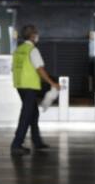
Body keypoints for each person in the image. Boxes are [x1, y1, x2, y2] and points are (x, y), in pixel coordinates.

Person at [10, 24, 59, 156]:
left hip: (20, 85)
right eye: (36, 33)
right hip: (30, 86)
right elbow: (40, 69)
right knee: (26, 114)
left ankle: (37, 141)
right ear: (32, 36)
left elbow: (13, 68)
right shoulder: (32, 50)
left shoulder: (18, 50)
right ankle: (16, 144)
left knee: (33, 113)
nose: (37, 36)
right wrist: (52, 83)